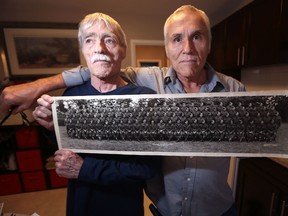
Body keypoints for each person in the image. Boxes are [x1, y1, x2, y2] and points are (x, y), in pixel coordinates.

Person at [0, 5, 246, 216]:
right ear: (167, 47)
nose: (187, 48)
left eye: (197, 36)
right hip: (163, 210)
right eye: (177, 38)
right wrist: (35, 92)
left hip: (218, 209)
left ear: (210, 43)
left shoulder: (235, 89)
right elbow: (97, 67)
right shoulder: (148, 79)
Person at [31, 12, 160, 216]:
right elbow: (66, 150)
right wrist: (51, 127)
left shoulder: (145, 99)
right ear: (83, 50)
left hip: (123, 207)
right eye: (89, 40)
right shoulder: (72, 96)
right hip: (79, 204)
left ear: (123, 50)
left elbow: (146, 168)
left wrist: (84, 169)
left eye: (109, 40)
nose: (99, 48)